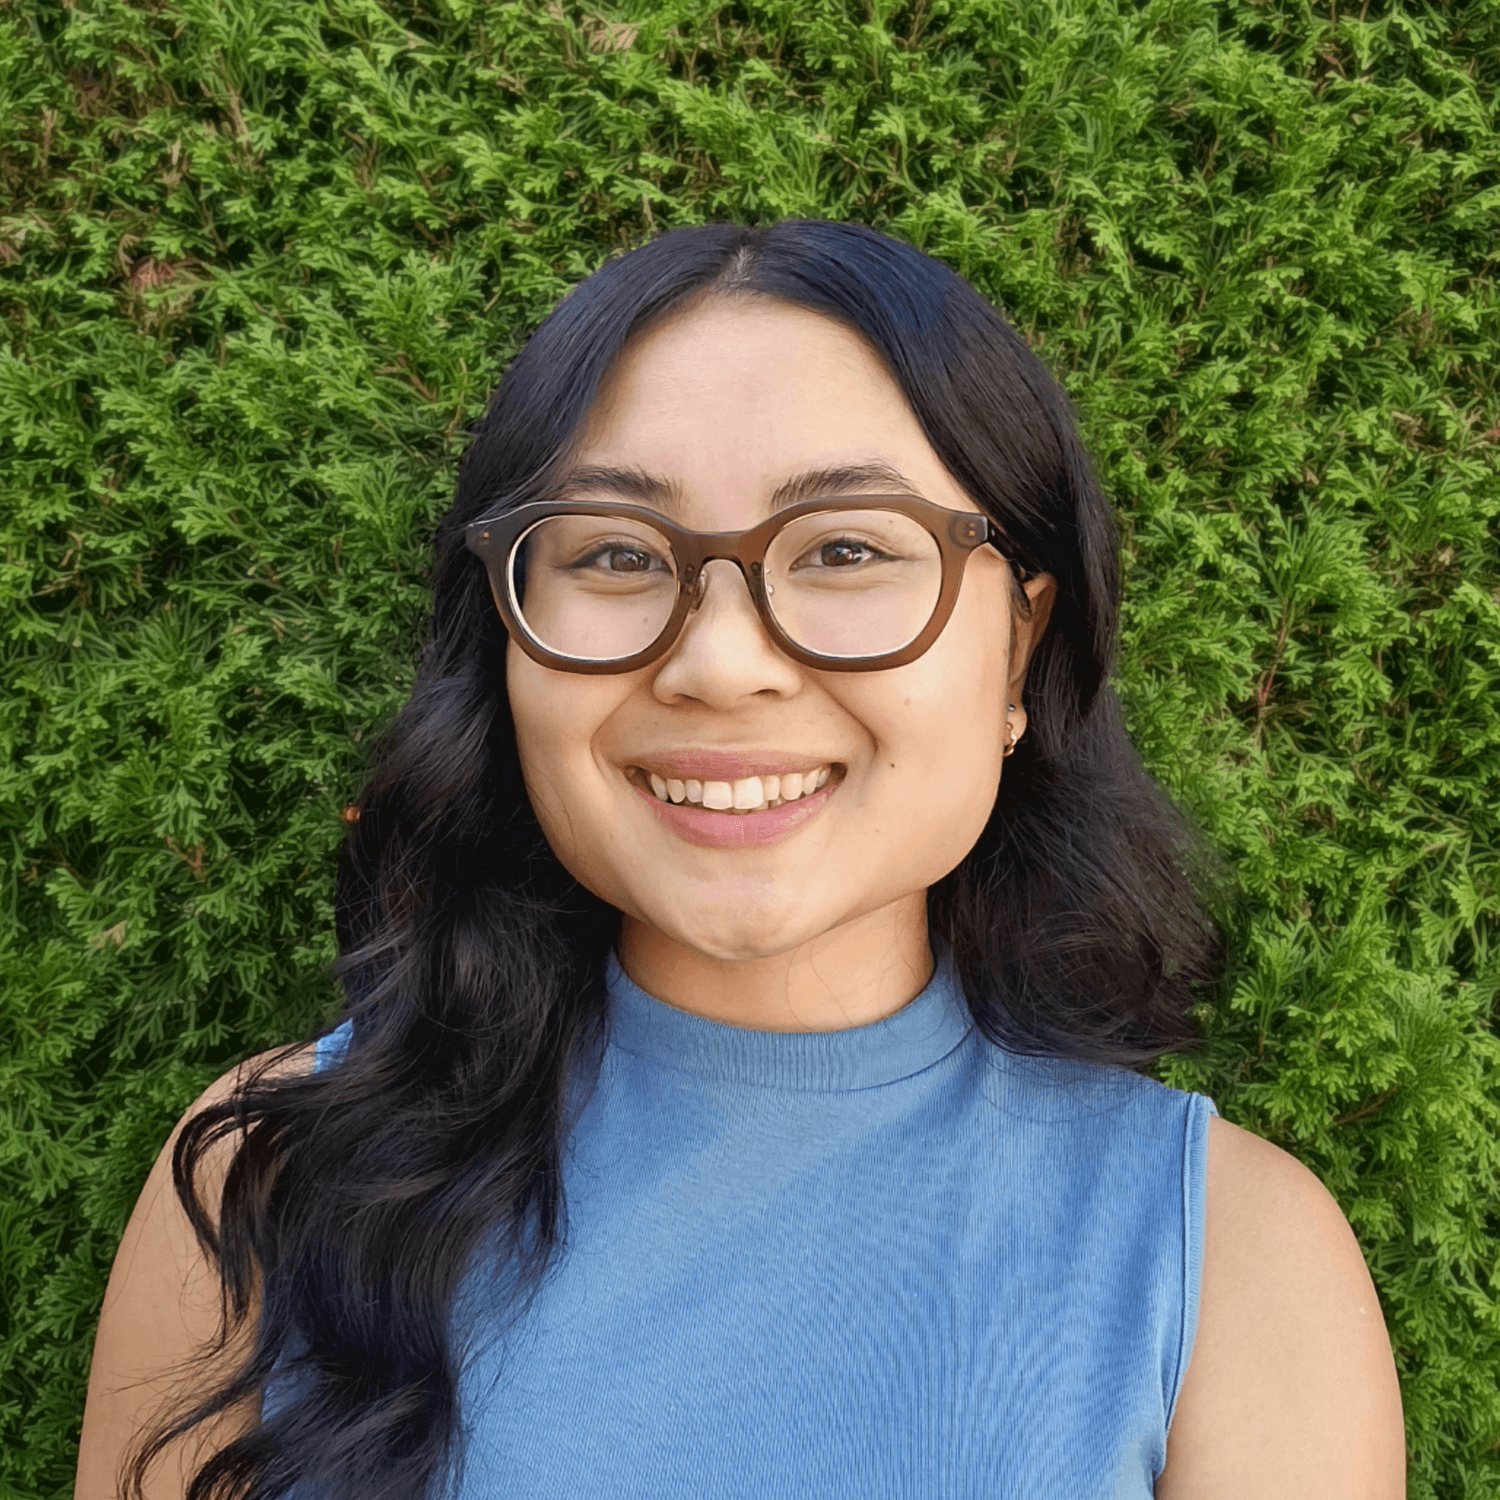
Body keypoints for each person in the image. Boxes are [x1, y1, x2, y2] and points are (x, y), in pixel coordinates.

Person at [77, 221, 1406, 1500]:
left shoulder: (1231, 1264)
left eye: (843, 549)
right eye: (610, 552)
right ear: (508, 640)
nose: (717, 662)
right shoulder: (262, 1179)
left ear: (1020, 650)